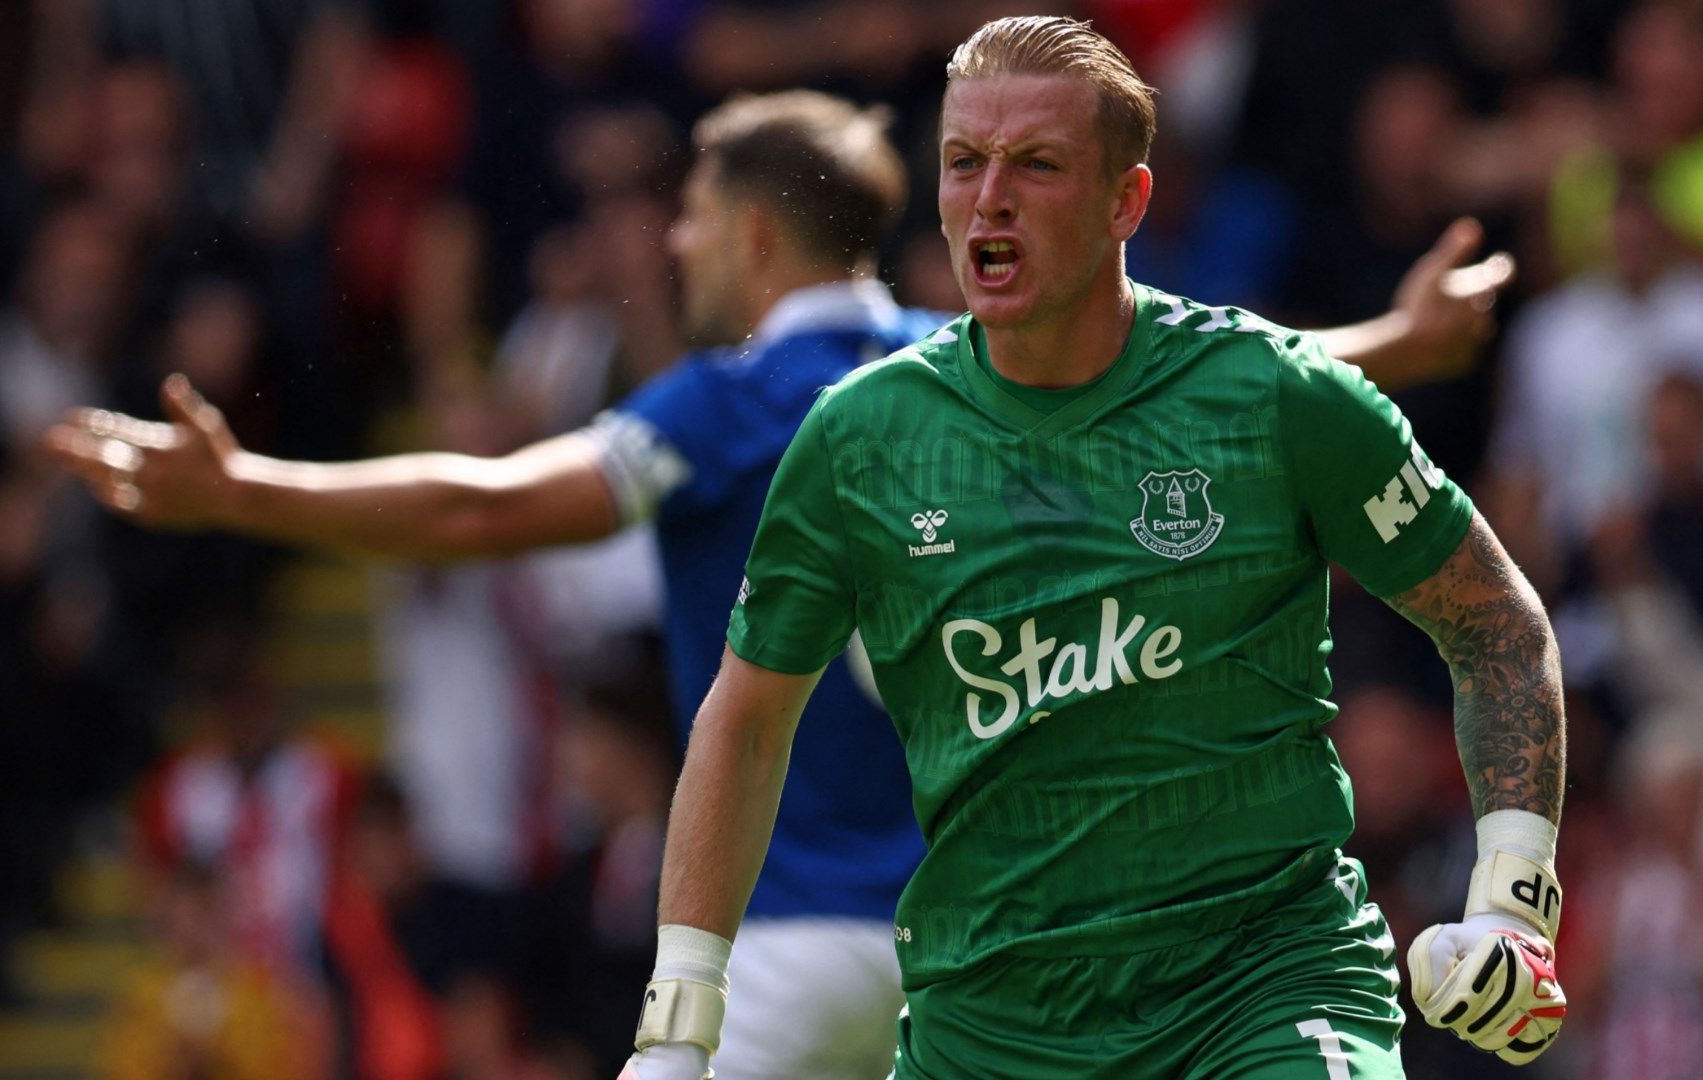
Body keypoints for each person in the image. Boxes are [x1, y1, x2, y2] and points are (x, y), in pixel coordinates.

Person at [51, 85, 1517, 1079]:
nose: (676, 240)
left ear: (752, 232)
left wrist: (245, 488)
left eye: (690, 213)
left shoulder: (734, 397)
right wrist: (1397, 337)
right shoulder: (973, 369)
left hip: (790, 939)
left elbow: (490, 506)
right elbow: (1233, 378)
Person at [624, 18, 1566, 1080]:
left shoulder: (1273, 396)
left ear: (1128, 201)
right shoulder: (859, 439)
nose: (990, 197)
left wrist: (1511, 899)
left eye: (1037, 165)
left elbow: (1496, 625)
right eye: (963, 163)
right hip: (992, 1028)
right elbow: (745, 722)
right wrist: (677, 1029)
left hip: (1262, 996)